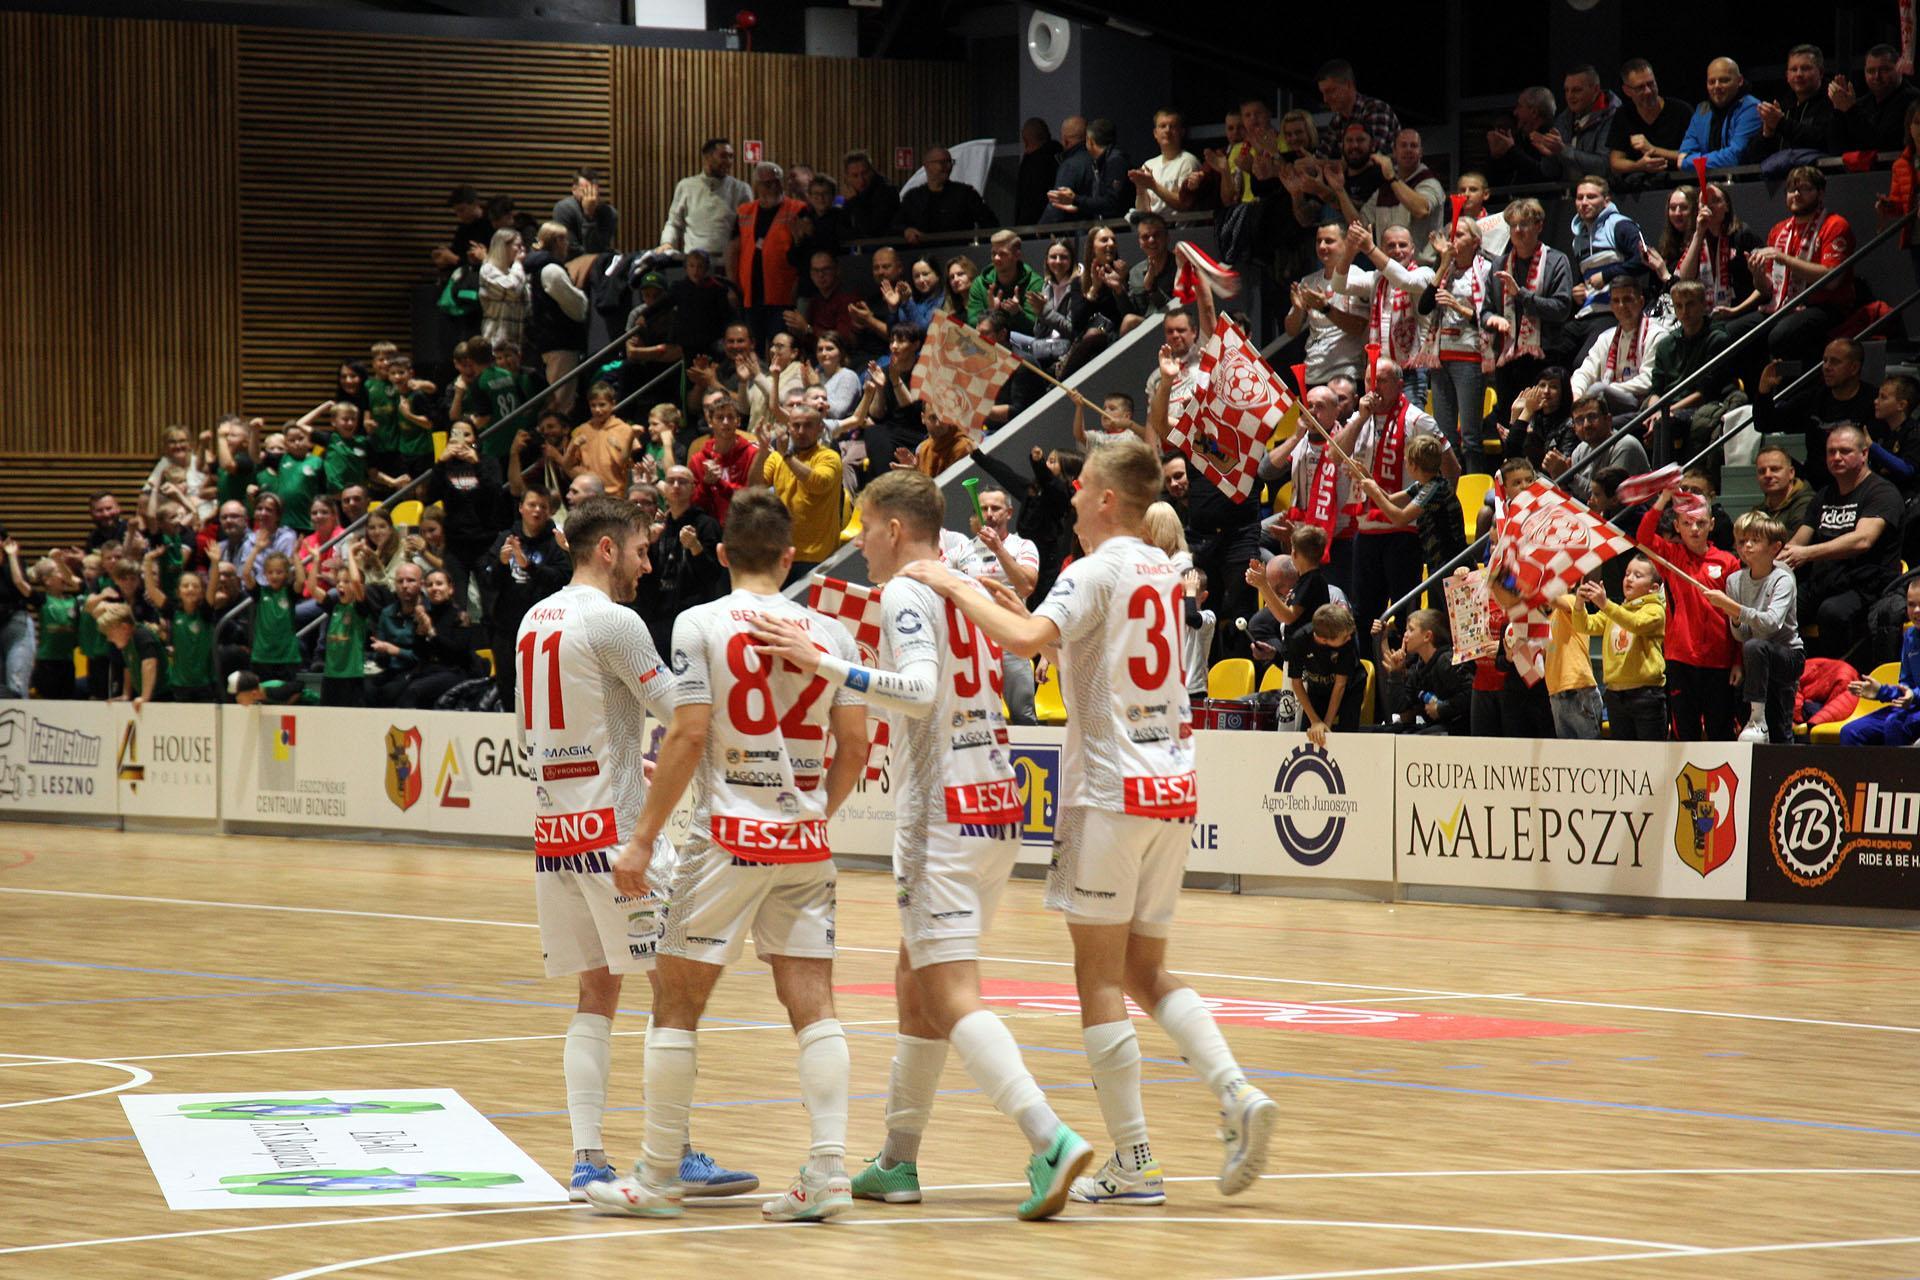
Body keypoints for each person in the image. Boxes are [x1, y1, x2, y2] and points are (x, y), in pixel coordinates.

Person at [901, 437, 1277, 1208]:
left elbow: (1030, 642)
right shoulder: (1166, 571)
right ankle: (1234, 1090)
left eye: (1081, 486)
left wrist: (946, 579)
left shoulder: (1093, 569)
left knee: (1100, 978)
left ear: (1109, 498)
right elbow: (1073, 640)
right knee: (1145, 970)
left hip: (1110, 792)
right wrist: (1025, 609)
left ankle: (1135, 1160)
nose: (1070, 495)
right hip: (1174, 785)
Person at [751, 470, 1094, 1220]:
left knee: (947, 990)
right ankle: (898, 1162)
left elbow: (916, 689)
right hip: (997, 799)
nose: (861, 547)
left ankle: (1050, 1140)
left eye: (864, 530)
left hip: (943, 813)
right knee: (914, 978)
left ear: (896, 528)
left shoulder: (907, 588)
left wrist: (825, 665)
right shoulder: (967, 571)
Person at [595, 490, 867, 1222]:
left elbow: (686, 736)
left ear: (720, 555)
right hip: (805, 840)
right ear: (790, 556)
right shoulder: (831, 634)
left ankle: (656, 1177)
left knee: (677, 1003)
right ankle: (831, 1169)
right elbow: (861, 745)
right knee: (814, 1004)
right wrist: (815, 813)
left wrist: (645, 836)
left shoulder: (700, 623)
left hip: (727, 838)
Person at [507, 496, 755, 1206]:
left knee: (597, 992)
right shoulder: (614, 620)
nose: (650, 565)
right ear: (608, 549)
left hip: (556, 833)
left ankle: (588, 1159)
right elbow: (681, 713)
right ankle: (671, 1154)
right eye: (642, 551)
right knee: (674, 991)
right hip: (616, 839)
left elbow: (539, 728)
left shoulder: (534, 618)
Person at [1781, 424, 1905, 659]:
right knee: (1780, 608)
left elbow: (1863, 540)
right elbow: (1798, 542)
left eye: (1845, 451)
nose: (1836, 457)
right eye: (1831, 452)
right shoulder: (1824, 496)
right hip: (1824, 584)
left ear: (1864, 454)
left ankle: (1838, 678)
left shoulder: (1882, 492)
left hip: (1867, 588)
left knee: (1832, 613)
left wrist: (1808, 554)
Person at [1729, 166, 1855, 379]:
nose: (1796, 194)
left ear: (1820, 193)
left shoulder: (1835, 225)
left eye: (1804, 188)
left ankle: (1796, 392)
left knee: (1781, 335)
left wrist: (1784, 258)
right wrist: (1758, 274)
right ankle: (1756, 396)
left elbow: (1832, 279)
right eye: (1791, 190)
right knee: (1732, 333)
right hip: (1782, 304)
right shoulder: (1779, 230)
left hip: (1824, 305)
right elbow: (1767, 289)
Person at [1638, 490, 1740, 740]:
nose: (1694, 529)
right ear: (1677, 526)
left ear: (1712, 524)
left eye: (1701, 523)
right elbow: (1642, 537)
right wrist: (1663, 499)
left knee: (1721, 732)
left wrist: (1738, 660)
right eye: (1687, 523)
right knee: (1685, 732)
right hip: (1680, 659)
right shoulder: (1670, 557)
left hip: (1720, 661)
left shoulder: (1729, 562)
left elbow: (1738, 617)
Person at [1703, 511, 1802, 743]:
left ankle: (1758, 721)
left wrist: (1735, 609)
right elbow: (1741, 635)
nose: (1746, 546)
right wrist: (1735, 617)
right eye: (1741, 541)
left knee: (1780, 728)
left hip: (1787, 656)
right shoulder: (1734, 581)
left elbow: (1771, 625)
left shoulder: (1783, 578)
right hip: (1756, 658)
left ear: (1774, 547)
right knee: (1752, 647)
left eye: (1754, 540)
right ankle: (1755, 720)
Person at [947, 487, 1040, 722]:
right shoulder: (961, 550)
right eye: (984, 508)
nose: (989, 513)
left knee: (1023, 715)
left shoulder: (1023, 546)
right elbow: (936, 575)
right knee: (976, 716)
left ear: (1008, 513)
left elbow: (1027, 586)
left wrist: (998, 549)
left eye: (995, 508)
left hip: (1012, 640)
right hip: (974, 643)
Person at [1482, 199, 1575, 428]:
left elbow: (1562, 309)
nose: (1517, 231)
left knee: (1542, 425)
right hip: (1508, 358)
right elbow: (1485, 311)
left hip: (1544, 357)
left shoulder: (1556, 260)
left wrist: (1521, 294)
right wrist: (1491, 319)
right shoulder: (1499, 264)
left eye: (1524, 224)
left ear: (1539, 226)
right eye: (1512, 225)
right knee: (1508, 423)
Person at [481, 488, 570, 711]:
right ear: (521, 507)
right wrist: (502, 563)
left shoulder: (555, 541)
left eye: (543, 506)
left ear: (550, 511)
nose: (537, 510)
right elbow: (489, 580)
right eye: (532, 505)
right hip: (507, 628)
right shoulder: (506, 537)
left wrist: (527, 566)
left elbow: (561, 578)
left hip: (544, 630)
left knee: (540, 689)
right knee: (507, 685)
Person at [1751, 338, 1875, 490]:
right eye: (1825, 361)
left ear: (1854, 367)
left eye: (1835, 362)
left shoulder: (1873, 401)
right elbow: (1765, 423)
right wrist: (1764, 390)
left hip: (1857, 482)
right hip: (1816, 484)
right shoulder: (1814, 398)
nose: (1827, 367)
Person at [748, 402, 842, 584]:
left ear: (820, 429)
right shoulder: (777, 457)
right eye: (796, 425)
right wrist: (762, 450)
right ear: (788, 427)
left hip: (817, 556)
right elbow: (755, 486)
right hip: (782, 552)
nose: (801, 431)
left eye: (808, 426)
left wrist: (787, 457)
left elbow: (818, 483)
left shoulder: (828, 457)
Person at [1578, 555, 1668, 739]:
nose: (1629, 578)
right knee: (1624, 760)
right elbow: (1585, 626)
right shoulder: (1617, 609)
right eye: (1627, 574)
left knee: (1650, 759)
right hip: (1615, 694)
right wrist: (1579, 604)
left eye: (1637, 575)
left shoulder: (1656, 610)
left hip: (1646, 695)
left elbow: (1636, 623)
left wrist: (1605, 604)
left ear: (1654, 588)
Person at [1569, 271, 1670, 424]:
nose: (1621, 306)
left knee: (1597, 392)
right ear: (1611, 306)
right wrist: (1577, 397)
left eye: (1627, 299)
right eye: (1616, 300)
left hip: (1641, 402)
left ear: (1641, 301)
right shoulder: (1606, 337)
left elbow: (1648, 380)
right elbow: (1584, 372)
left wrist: (1607, 389)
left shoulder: (1657, 334)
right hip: (1605, 401)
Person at [734, 162, 809, 349]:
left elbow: (804, 251)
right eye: (767, 183)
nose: (773, 187)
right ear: (757, 186)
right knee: (753, 347)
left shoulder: (797, 209)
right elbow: (732, 249)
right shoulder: (744, 212)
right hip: (751, 294)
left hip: (783, 294)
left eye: (776, 182)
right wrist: (733, 285)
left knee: (781, 346)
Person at [1374, 608, 1468, 734]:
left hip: (1457, 730)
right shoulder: (1419, 666)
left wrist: (1442, 709)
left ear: (1427, 636)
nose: (1405, 635)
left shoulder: (1446, 661)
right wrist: (1396, 673)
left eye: (1411, 630)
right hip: (1434, 727)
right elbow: (1400, 706)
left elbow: (1469, 694)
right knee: (1383, 732)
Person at [658, 138, 752, 260]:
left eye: (731, 157)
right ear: (707, 157)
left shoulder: (741, 189)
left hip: (728, 263)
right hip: (694, 264)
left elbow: (748, 229)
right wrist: (667, 243)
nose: (728, 161)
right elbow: (674, 223)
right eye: (723, 156)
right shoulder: (686, 186)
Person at [1543, 394, 1647, 503]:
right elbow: (1576, 497)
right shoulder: (1579, 451)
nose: (1586, 424)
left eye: (1592, 417)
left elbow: (1609, 500)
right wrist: (1560, 478)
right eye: (1579, 420)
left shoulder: (1625, 446)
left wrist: (1569, 476)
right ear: (1574, 428)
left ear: (1608, 419)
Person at [1607, 59, 1694, 187]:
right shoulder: (1623, 115)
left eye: (1651, 84)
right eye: (1640, 87)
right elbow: (1615, 162)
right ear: (1627, 91)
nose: (1648, 91)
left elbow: (1694, 156)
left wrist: (1652, 149)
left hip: (1680, 184)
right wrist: (1639, 166)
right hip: (1640, 189)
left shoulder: (1681, 111)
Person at [1671, 57, 1765, 171]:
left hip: (1744, 183)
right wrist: (1689, 160)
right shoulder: (1702, 110)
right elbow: (1685, 152)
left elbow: (1734, 157)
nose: (1716, 86)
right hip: (1706, 183)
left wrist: (1692, 162)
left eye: (1724, 80)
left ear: (1739, 81)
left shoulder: (1751, 108)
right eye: (1711, 82)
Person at [1287, 602, 1362, 742]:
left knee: (1345, 736)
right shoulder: (1299, 640)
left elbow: (1340, 684)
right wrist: (1315, 721)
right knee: (1309, 735)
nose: (1350, 638)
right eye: (1345, 637)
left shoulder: (1346, 640)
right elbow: (1296, 683)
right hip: (1317, 687)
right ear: (1323, 639)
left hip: (1349, 688)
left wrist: (1326, 725)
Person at [1829, 43, 1920, 153]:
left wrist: (1850, 110)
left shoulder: (1913, 100)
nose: (1877, 76)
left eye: (1884, 70)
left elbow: (1883, 144)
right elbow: (1835, 145)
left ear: (1899, 69)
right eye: (1871, 71)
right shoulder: (1863, 103)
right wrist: (1839, 110)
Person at [894, 148, 994, 244]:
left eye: (949, 162)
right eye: (940, 162)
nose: (945, 167)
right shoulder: (913, 197)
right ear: (926, 165)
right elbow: (895, 225)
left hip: (958, 253)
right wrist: (906, 231)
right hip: (920, 253)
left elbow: (989, 222)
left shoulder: (966, 194)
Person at [1315, 59, 1401, 157]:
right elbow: (1321, 155)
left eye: (1330, 91)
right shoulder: (1337, 120)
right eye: (1323, 93)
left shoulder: (1376, 109)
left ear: (1348, 85)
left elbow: (1369, 159)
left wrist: (1321, 163)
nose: (1325, 99)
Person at [1760, 44, 1834, 156]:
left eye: (1805, 68)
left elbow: (1821, 139)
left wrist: (1781, 123)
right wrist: (1768, 132)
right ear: (1787, 75)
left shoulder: (1833, 101)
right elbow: (1755, 156)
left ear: (1821, 72)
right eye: (1793, 69)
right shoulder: (1783, 105)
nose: (1799, 74)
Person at [1130, 109, 1200, 215]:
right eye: (1162, 126)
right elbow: (1143, 212)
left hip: (1179, 229)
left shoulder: (1188, 161)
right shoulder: (1148, 164)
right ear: (1155, 133)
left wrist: (1153, 185)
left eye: (1172, 126)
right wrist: (1140, 189)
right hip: (1153, 226)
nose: (1167, 130)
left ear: (1181, 132)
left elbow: (1183, 204)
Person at [1750, 444, 1815, 531]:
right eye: (1762, 471)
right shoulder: (1759, 510)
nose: (1767, 475)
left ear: (1791, 473)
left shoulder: (1807, 504)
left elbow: (1792, 543)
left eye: (1774, 469)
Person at [554, 167, 618, 255]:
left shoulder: (609, 212)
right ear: (574, 190)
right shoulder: (563, 209)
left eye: (594, 190)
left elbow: (600, 247)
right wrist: (588, 215)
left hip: (599, 261)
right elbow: (572, 249)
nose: (591, 195)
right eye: (585, 190)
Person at [841, 149, 901, 240]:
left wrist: (854, 201)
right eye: (855, 176)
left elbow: (873, 230)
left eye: (864, 173)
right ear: (847, 177)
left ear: (872, 171)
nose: (861, 180)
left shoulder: (887, 192)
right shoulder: (852, 193)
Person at [1015, 117, 1063, 225]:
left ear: (1026, 141)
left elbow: (1029, 202)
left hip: (1035, 226)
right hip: (1057, 224)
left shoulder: (1032, 164)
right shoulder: (1060, 158)